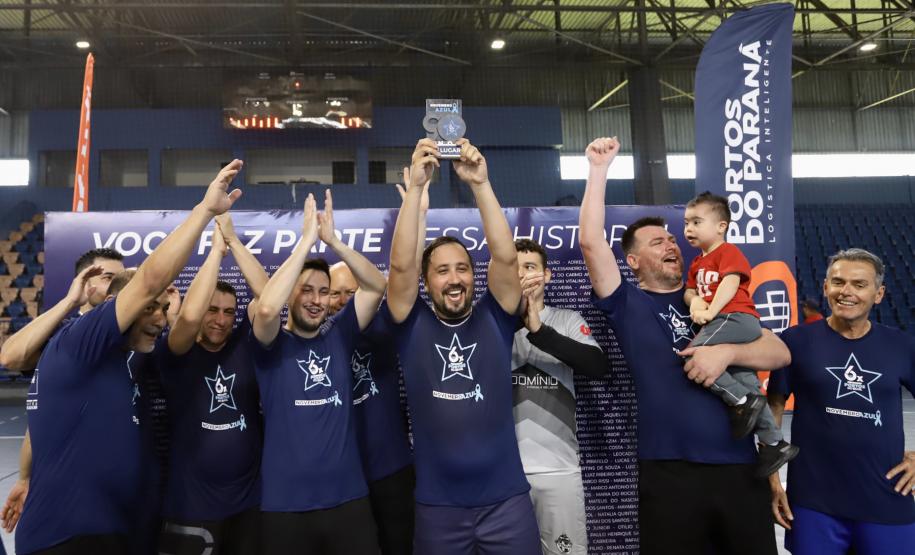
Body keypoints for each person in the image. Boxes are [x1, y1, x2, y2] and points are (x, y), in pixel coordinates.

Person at [15, 160, 244, 555]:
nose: (160, 318)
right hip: (66, 537)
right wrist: (204, 211)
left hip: (112, 530)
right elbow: (152, 279)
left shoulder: (126, 359)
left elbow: (186, 320)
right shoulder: (80, 341)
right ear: (114, 306)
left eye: (163, 309)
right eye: (149, 308)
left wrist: (217, 252)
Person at [578, 136, 790, 555]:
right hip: (667, 470)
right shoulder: (627, 302)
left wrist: (726, 353)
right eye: (657, 242)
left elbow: (779, 353)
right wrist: (598, 170)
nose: (672, 244)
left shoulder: (715, 297)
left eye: (672, 240)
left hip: (738, 466)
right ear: (633, 261)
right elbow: (590, 242)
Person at [387, 138, 540, 555]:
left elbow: (505, 259)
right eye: (442, 271)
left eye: (462, 269)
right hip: (439, 509)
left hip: (506, 502)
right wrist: (416, 189)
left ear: (475, 276)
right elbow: (400, 266)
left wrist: (480, 185)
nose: (454, 279)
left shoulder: (496, 316)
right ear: (426, 281)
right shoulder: (410, 323)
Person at [251, 190, 387, 555]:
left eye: (323, 292)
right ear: (289, 294)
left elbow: (376, 286)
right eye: (306, 290)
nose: (316, 300)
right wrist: (305, 243)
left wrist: (334, 242)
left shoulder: (339, 333)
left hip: (349, 501)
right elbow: (266, 311)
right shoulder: (270, 344)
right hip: (286, 507)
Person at [767, 248, 915, 555]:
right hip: (814, 504)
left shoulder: (901, 345)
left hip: (886, 499)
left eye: (859, 284)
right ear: (825, 288)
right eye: (838, 282)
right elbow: (773, 411)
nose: (846, 291)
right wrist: (772, 480)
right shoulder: (794, 342)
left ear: (878, 294)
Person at [155, 213, 268, 555]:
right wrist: (216, 252)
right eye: (212, 309)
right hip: (192, 507)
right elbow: (188, 317)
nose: (220, 320)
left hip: (248, 504)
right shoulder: (176, 352)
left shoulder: (243, 345)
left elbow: (267, 296)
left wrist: (233, 240)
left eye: (229, 312)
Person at [0, 248, 126, 533]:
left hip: (121, 490)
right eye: (107, 277)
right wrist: (24, 477)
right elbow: (10, 357)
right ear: (83, 282)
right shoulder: (60, 335)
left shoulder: (137, 336)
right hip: (70, 490)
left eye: (121, 278)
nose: (117, 285)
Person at [683, 191, 798, 477]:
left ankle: (742, 402)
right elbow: (690, 291)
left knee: (694, 357)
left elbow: (730, 283)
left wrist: (711, 311)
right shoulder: (697, 262)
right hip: (724, 320)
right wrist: (695, 302)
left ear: (721, 226)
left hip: (735, 317)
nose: (689, 229)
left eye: (697, 222)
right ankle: (774, 443)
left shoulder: (727, 252)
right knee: (744, 378)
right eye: (686, 223)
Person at [511, 238, 606, 555]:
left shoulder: (567, 320)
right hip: (504, 474)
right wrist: (513, 317)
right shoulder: (491, 324)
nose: (522, 275)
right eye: (515, 269)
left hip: (559, 468)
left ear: (547, 275)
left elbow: (597, 366)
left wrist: (539, 331)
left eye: (530, 267)